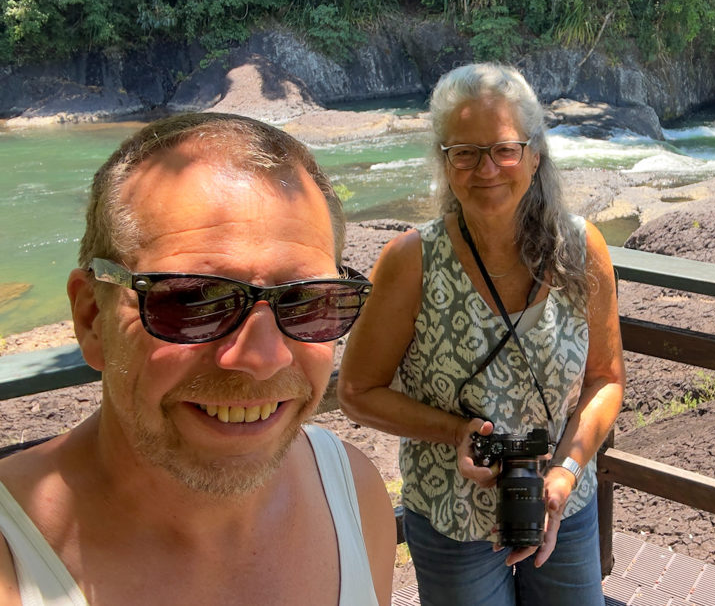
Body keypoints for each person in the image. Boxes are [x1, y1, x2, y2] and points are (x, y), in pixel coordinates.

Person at [0, 113, 396, 606]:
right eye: (192, 302)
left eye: (308, 301)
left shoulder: (353, 493)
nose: (262, 358)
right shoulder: (12, 559)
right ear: (90, 317)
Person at [338, 63, 626, 605]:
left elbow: (607, 380)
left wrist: (565, 471)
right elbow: (357, 391)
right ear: (444, 164)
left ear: (535, 155)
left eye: (504, 149)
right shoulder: (411, 262)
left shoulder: (582, 247)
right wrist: (455, 431)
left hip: (563, 497)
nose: (485, 168)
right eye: (463, 153)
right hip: (453, 511)